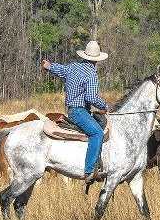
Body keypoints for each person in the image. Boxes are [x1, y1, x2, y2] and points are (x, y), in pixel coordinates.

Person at [41, 40, 109, 180]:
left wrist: (49, 66)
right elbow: (91, 97)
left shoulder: (73, 67)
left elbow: (59, 69)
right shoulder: (91, 74)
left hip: (72, 110)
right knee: (97, 133)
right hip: (80, 112)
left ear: (84, 56)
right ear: (96, 60)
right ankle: (90, 171)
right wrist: (104, 106)